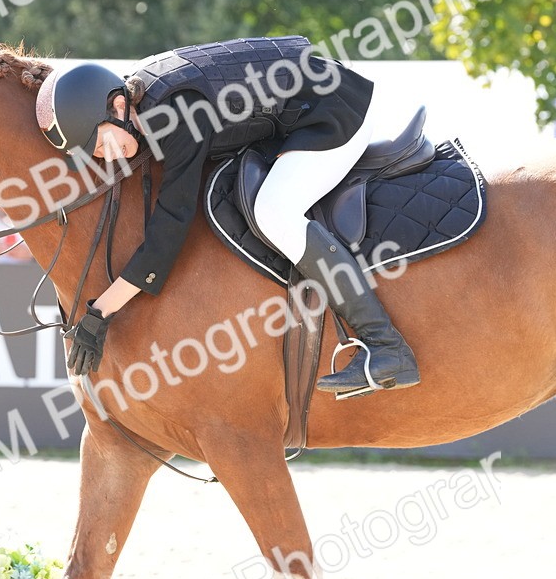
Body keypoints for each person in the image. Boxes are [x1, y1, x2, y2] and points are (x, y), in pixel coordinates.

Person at [35, 36, 419, 397]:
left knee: (274, 212)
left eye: (104, 143)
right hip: (300, 108)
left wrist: (102, 310)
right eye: (98, 154)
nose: (110, 157)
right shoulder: (143, 93)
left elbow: (171, 225)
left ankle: (386, 346)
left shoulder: (176, 113)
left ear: (118, 107)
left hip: (335, 111)